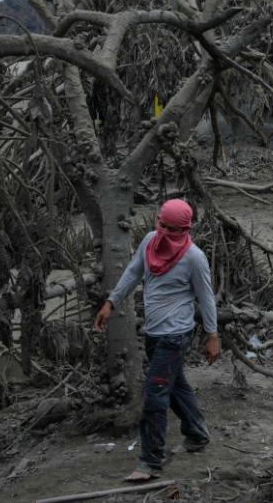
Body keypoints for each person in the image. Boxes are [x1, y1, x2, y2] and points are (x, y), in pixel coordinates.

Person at [93, 198, 220, 482]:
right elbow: (132, 272)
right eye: (160, 224)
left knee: (155, 396)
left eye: (171, 229)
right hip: (153, 332)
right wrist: (111, 303)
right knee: (174, 386)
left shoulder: (194, 258)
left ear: (184, 230)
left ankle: (150, 461)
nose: (163, 231)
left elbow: (206, 298)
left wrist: (212, 335)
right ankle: (197, 434)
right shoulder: (150, 242)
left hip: (175, 336)